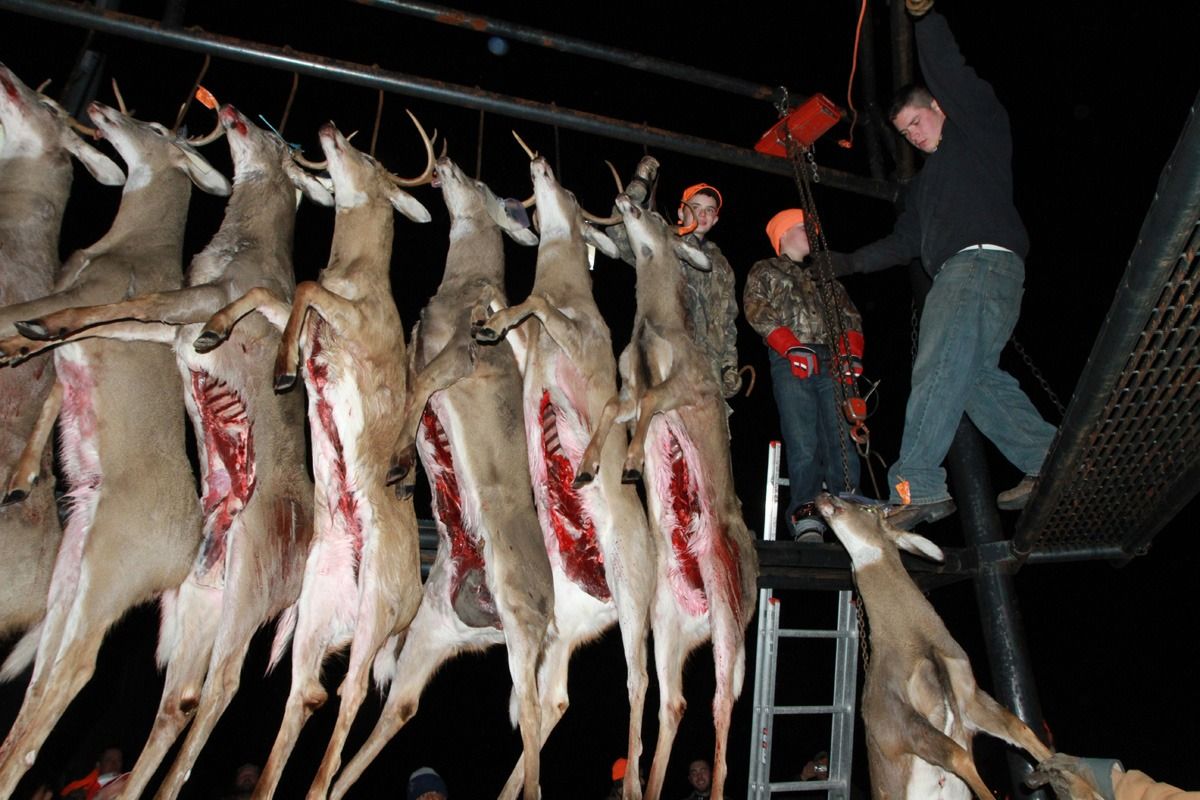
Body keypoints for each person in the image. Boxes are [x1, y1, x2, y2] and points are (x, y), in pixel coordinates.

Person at [830, 0, 1056, 530]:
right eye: (905, 133)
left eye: (917, 122)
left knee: (935, 368)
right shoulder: (927, 186)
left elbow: (952, 72)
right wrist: (846, 263)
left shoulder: (975, 130)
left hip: (975, 268)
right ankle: (1050, 458)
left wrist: (925, 17)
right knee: (971, 380)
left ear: (939, 107)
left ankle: (918, 486)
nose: (914, 136)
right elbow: (904, 242)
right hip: (987, 277)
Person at [745, 209, 863, 540]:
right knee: (803, 440)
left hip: (832, 361)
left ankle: (849, 510)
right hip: (791, 359)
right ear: (783, 234)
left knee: (841, 438)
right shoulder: (765, 269)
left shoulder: (825, 276)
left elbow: (849, 315)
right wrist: (789, 346)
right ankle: (806, 512)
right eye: (802, 227)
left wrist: (850, 353)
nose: (811, 234)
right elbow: (756, 307)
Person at [607, 160, 742, 400]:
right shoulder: (660, 240)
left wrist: (729, 365)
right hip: (666, 356)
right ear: (681, 212)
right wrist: (640, 183)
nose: (703, 214)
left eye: (710, 210)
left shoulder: (722, 265)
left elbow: (728, 318)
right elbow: (619, 229)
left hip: (708, 368)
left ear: (716, 219)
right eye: (695, 207)